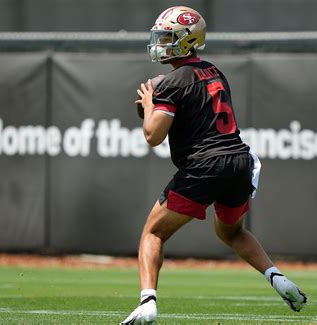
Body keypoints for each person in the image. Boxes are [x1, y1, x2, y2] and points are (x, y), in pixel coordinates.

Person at [121, 6, 307, 324]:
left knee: (152, 233)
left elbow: (153, 136)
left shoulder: (169, 83)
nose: (160, 42)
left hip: (205, 165)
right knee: (231, 232)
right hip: (238, 161)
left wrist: (150, 105)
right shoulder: (214, 71)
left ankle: (147, 302)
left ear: (186, 40)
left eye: (167, 37)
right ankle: (277, 277)